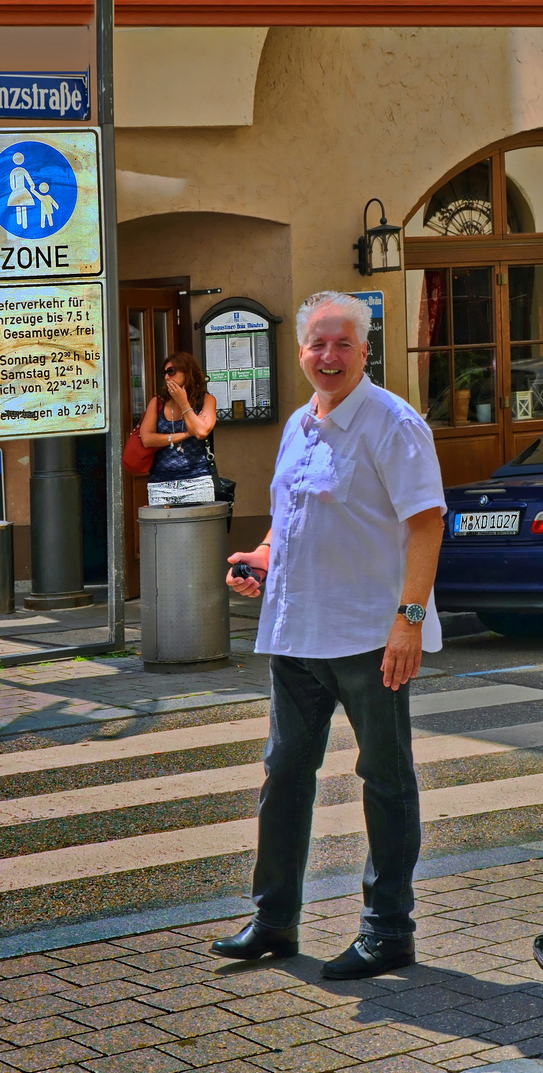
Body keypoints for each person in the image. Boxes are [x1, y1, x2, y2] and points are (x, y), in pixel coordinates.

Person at [213, 291, 446, 978]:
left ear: (365, 351)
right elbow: (289, 517)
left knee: (384, 779)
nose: (328, 356)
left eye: (342, 343)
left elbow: (428, 524)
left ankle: (389, 929)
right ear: (301, 351)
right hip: (297, 632)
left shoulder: (391, 424)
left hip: (370, 635)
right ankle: (274, 920)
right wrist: (262, 557)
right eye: (317, 343)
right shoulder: (298, 424)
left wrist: (408, 623)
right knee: (284, 774)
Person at [139, 351, 218, 507]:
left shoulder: (206, 400)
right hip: (161, 483)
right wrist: (185, 434)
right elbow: (147, 439)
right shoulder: (158, 402)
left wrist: (183, 402)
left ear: (187, 372)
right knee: (163, 531)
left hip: (197, 480)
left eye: (172, 371)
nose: (167, 377)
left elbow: (201, 432)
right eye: (165, 373)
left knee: (197, 530)